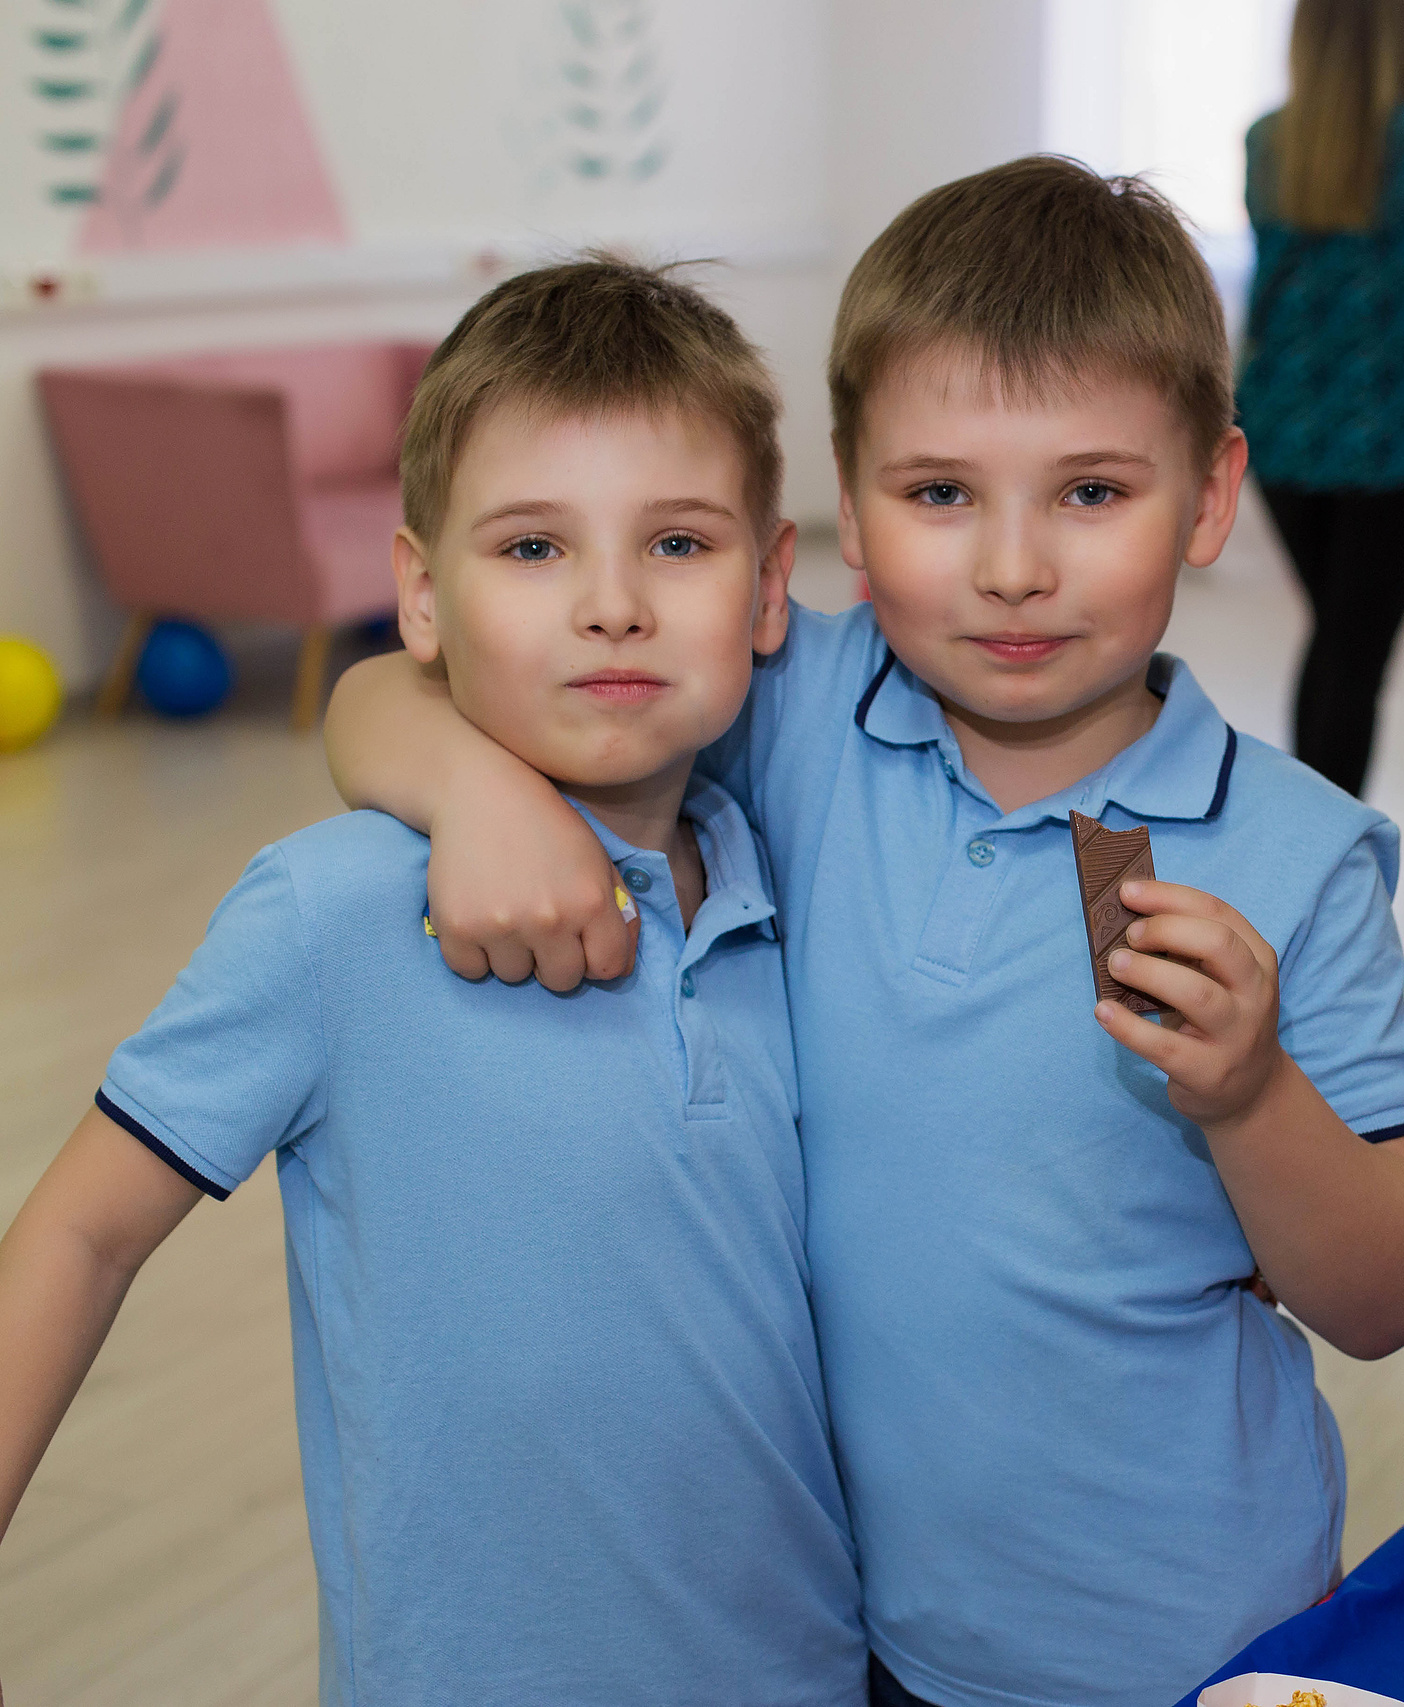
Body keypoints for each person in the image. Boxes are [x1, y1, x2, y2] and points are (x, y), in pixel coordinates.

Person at [323, 159, 1404, 1707]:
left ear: (1212, 495)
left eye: (1093, 491)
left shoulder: (1304, 853)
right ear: (845, 513)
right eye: (940, 493)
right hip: (869, 1623)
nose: (1011, 566)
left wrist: (1253, 1096)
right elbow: (383, 690)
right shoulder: (797, 711)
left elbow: (1390, 1298)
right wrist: (472, 785)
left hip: (1196, 1637)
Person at [0, 259, 866, 1703]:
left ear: (773, 583)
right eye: (533, 548)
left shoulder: (799, 888)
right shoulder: (334, 910)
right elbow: (79, 1236)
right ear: (419, 591)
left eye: (678, 543)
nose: (611, 605)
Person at [1238, 0, 1404, 798]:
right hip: (1395, 436)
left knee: (1339, 642)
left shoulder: (1270, 140)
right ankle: (1321, 866)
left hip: (1282, 429)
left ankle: (1304, 851)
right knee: (1354, 653)